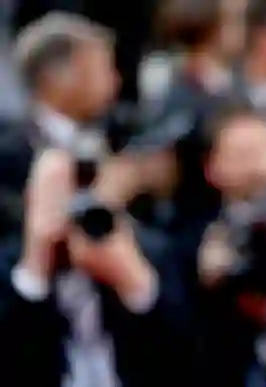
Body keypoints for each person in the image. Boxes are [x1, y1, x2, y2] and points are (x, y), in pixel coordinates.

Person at [0, 12, 195, 387]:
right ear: (63, 75)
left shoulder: (125, 138)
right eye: (104, 68)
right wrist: (37, 252)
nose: (116, 82)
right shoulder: (9, 156)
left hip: (123, 342)